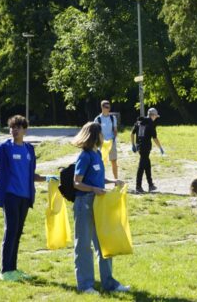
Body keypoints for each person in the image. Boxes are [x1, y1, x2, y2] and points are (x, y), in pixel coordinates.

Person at [0, 115, 47, 281]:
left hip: (25, 197)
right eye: (12, 127)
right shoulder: (5, 147)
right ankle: (4, 271)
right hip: (10, 195)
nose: (15, 130)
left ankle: (13, 269)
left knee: (17, 233)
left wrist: (46, 179)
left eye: (18, 127)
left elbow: (29, 174)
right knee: (10, 231)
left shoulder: (29, 149)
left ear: (24, 130)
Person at [72, 122, 130, 295]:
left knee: (105, 243)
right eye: (101, 133)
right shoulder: (84, 156)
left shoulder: (97, 154)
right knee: (83, 246)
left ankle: (109, 283)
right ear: (95, 135)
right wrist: (93, 189)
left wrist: (112, 182)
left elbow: (96, 178)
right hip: (84, 204)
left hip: (99, 203)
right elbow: (77, 183)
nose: (103, 136)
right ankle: (85, 286)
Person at [130, 107, 164, 193]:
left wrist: (133, 145)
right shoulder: (151, 123)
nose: (156, 117)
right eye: (156, 116)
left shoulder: (139, 121)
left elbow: (132, 133)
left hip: (139, 147)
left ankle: (150, 185)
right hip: (145, 147)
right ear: (152, 115)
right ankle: (138, 186)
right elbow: (155, 138)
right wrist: (160, 148)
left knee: (147, 165)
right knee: (141, 167)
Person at [94, 100, 119, 180]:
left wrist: (114, 138)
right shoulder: (97, 119)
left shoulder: (113, 118)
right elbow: (96, 132)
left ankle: (116, 180)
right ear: (102, 107)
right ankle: (101, 180)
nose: (108, 109)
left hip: (111, 142)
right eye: (106, 107)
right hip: (102, 143)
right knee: (101, 162)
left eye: (109, 107)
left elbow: (115, 130)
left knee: (114, 161)